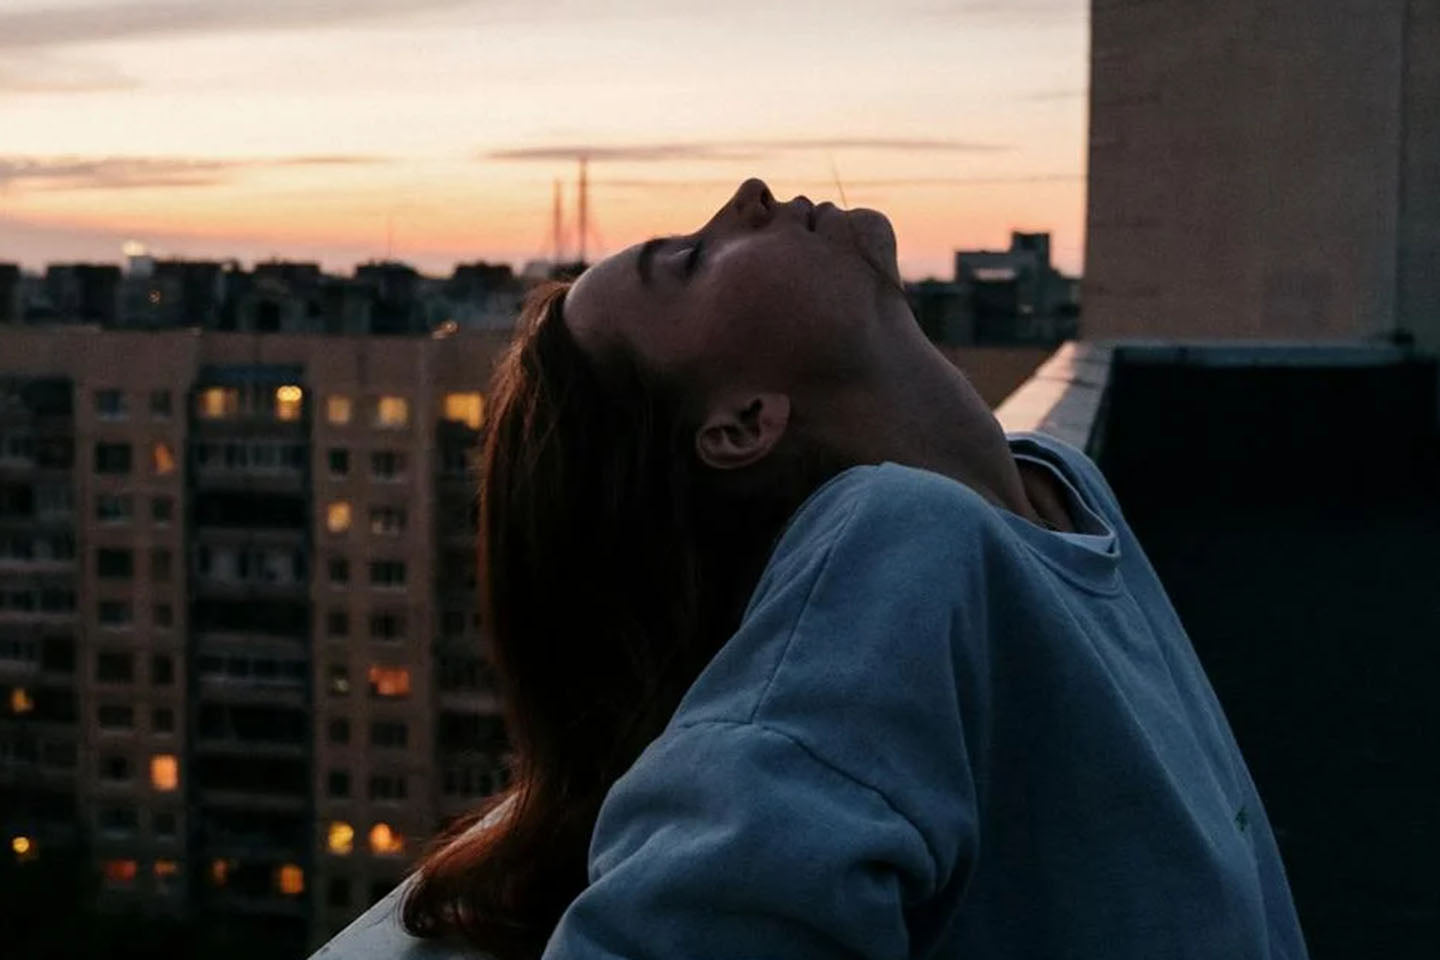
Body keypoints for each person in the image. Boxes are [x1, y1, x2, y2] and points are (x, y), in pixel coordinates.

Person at [310, 178, 1310, 960]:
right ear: (743, 422)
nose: (747, 192)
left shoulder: (1063, 495)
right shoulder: (895, 556)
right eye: (693, 261)